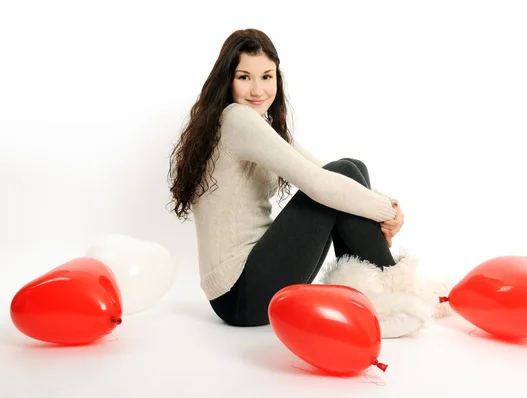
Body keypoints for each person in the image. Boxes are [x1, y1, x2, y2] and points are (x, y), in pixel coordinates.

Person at [168, 28, 450, 338]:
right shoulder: (237, 119)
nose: (257, 89)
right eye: (244, 77)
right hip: (241, 294)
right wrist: (382, 210)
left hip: (248, 287)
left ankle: (377, 295)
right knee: (343, 172)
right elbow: (320, 183)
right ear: (228, 80)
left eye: (267, 76)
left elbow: (320, 170)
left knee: (352, 167)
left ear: (277, 78)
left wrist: (390, 205)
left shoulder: (256, 125)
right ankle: (395, 291)